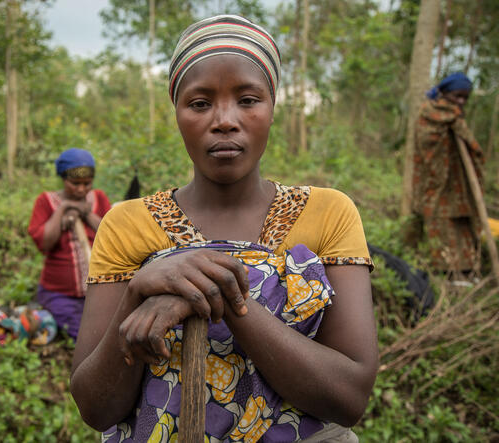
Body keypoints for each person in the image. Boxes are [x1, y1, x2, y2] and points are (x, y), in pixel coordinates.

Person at [70, 15, 378, 442]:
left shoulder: (329, 213)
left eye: (248, 100)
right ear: (177, 115)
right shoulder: (127, 224)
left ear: (272, 109)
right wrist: (138, 295)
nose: (224, 120)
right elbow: (94, 407)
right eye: (200, 103)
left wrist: (225, 298)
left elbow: (349, 397)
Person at [28, 148, 111, 339]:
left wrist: (85, 213)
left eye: (86, 183)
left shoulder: (98, 198)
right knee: (82, 334)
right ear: (63, 179)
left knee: (105, 330)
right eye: (74, 183)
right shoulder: (46, 201)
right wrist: (64, 208)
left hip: (98, 290)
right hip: (59, 293)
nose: (81, 189)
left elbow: (111, 235)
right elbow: (44, 244)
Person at [411, 72, 485, 274]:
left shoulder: (456, 118)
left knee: (464, 227)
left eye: (465, 98)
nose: (461, 102)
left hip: (458, 186)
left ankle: (470, 269)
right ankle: (447, 271)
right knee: (442, 225)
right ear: (444, 93)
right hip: (437, 185)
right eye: (457, 96)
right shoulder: (430, 114)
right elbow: (427, 146)